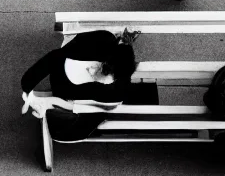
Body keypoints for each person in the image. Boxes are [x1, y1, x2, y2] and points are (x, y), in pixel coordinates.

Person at [21, 29, 154, 142]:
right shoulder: (101, 42)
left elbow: (88, 108)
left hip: (73, 94)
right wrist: (28, 88)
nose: (92, 70)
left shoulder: (111, 89)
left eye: (103, 71)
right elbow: (56, 56)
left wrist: (33, 92)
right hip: (71, 87)